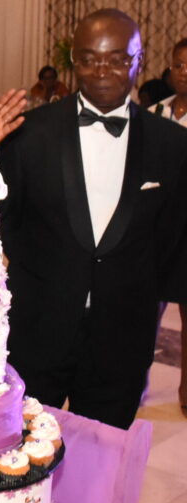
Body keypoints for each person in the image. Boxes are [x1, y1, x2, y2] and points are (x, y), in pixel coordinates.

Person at [0, 9, 187, 430]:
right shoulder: (29, 133)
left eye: (118, 59)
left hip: (122, 338)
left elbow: (173, 239)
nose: (102, 71)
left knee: (101, 464)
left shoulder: (172, 144)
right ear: (73, 62)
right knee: (24, 457)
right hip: (38, 331)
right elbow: (4, 223)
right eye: (89, 58)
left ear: (138, 61)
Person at [147, 39, 187, 413]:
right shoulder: (155, 112)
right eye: (178, 65)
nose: (184, 72)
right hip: (159, 231)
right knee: (146, 312)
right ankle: (137, 378)